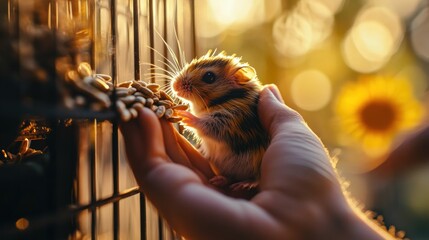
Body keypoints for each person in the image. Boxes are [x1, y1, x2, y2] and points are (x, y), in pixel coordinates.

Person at [120, 84, 395, 240]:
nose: (185, 85)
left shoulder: (240, 106)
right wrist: (322, 218)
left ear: (235, 82)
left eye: (208, 78)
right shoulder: (215, 103)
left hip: (254, 169)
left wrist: (195, 121)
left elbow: (224, 128)